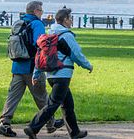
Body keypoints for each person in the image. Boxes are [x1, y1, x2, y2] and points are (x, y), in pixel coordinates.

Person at [0, 1, 63, 137]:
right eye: (41, 10)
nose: (42, 12)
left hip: (17, 66)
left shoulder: (19, 22)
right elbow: (40, 44)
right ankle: (50, 123)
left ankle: (4, 123)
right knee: (41, 96)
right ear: (35, 11)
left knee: (13, 97)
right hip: (32, 67)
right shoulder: (37, 24)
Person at [24, 7, 92, 139]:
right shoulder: (66, 35)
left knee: (68, 105)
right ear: (65, 20)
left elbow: (40, 56)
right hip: (63, 75)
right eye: (70, 18)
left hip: (51, 75)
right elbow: (76, 54)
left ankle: (75, 132)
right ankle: (32, 127)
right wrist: (88, 65)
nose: (71, 21)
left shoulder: (49, 34)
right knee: (53, 104)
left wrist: (36, 74)